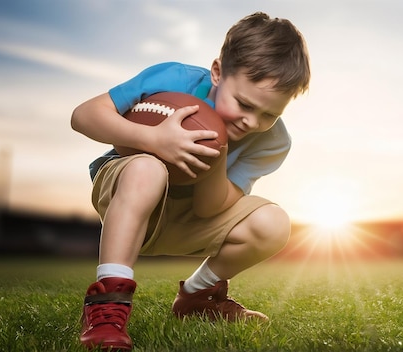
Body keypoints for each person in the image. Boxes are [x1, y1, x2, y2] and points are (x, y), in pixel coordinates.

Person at [71, 12, 310, 351]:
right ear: (217, 72)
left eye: (270, 114)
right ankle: (107, 306)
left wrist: (216, 152)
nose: (252, 121)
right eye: (243, 103)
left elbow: (210, 206)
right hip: (127, 194)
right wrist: (153, 141)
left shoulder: (273, 142)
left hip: (189, 216)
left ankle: (197, 297)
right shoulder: (175, 79)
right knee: (148, 170)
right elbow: (83, 116)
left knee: (273, 223)